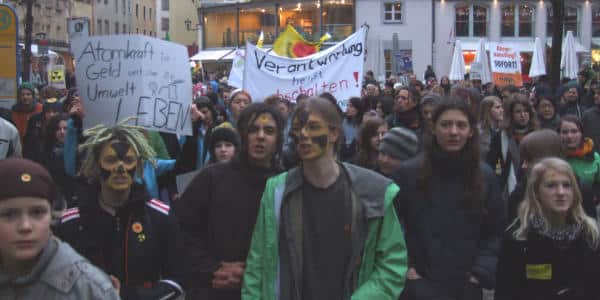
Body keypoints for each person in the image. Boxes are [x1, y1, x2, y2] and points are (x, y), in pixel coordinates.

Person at [242, 97, 408, 299]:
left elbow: (391, 264)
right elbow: (258, 262)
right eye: (298, 128)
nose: (303, 135)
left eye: (312, 127)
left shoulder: (372, 191)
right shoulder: (277, 190)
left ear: (334, 133)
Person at [56, 121, 186, 300]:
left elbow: (178, 280)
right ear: (95, 164)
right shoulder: (71, 223)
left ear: (139, 165)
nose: (120, 168)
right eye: (110, 160)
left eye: (128, 160)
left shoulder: (160, 217)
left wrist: (129, 295)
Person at [394, 97, 505, 300]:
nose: (453, 132)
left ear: (471, 131)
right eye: (445, 125)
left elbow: (495, 231)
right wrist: (407, 269)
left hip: (466, 286)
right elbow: (392, 228)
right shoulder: (408, 173)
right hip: (419, 284)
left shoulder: (485, 176)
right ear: (434, 128)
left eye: (461, 125)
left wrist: (479, 272)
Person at [175, 103, 284, 300]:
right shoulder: (212, 177)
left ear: (278, 139)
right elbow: (181, 229)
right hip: (215, 291)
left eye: (269, 130)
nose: (260, 136)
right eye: (253, 129)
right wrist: (212, 268)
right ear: (243, 135)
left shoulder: (285, 186)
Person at [0, 158, 119, 299]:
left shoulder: (88, 288)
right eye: (9, 214)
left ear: (51, 215)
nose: (25, 226)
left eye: (37, 212)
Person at [495, 158, 600, 300]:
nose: (561, 192)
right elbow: (505, 292)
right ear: (536, 192)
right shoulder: (519, 238)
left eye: (567, 185)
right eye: (551, 185)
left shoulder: (590, 235)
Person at [487, 94, 538, 197]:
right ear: (511, 114)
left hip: (536, 185)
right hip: (510, 188)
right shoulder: (501, 137)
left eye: (526, 111)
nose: (523, 115)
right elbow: (491, 163)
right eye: (518, 112)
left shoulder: (538, 135)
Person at [558, 115, 600, 202]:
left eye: (574, 131)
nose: (569, 136)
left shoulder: (594, 157)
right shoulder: (554, 158)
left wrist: (595, 196)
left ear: (582, 133)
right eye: (564, 132)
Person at [341, 97, 365, 161]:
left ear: (358, 109)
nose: (348, 108)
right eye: (347, 105)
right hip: (343, 155)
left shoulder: (363, 124)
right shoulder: (344, 121)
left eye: (351, 106)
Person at [582, 85, 600, 153]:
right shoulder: (587, 115)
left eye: (599, 94)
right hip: (592, 158)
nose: (595, 96)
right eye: (595, 93)